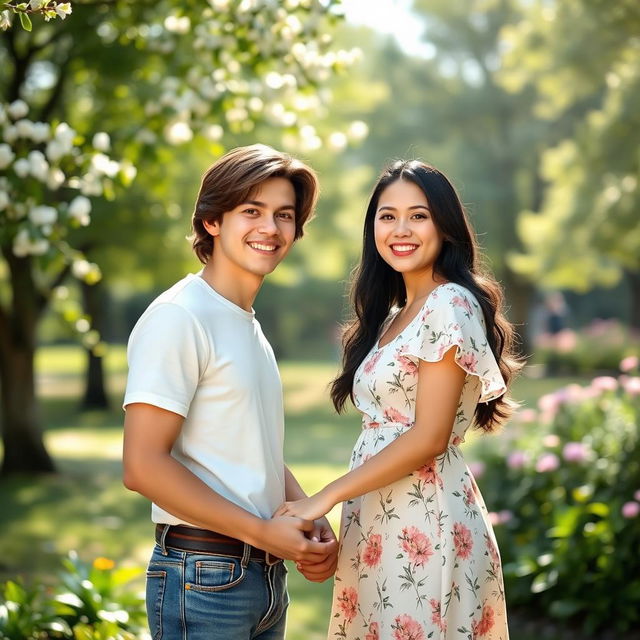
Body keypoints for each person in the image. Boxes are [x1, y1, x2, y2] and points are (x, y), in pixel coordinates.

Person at [277, 160, 521, 639]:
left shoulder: (450, 304)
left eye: (419, 215)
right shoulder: (393, 315)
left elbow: (429, 437)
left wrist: (322, 497)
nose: (400, 230)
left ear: (445, 226)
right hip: (377, 521)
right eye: (387, 216)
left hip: (424, 522)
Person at [122, 144, 338, 640]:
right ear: (213, 222)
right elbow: (142, 465)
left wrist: (305, 512)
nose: (271, 228)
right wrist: (263, 532)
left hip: (261, 577)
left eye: (284, 215)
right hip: (202, 578)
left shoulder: (246, 324)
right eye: (251, 211)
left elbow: (247, 444)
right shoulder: (181, 316)